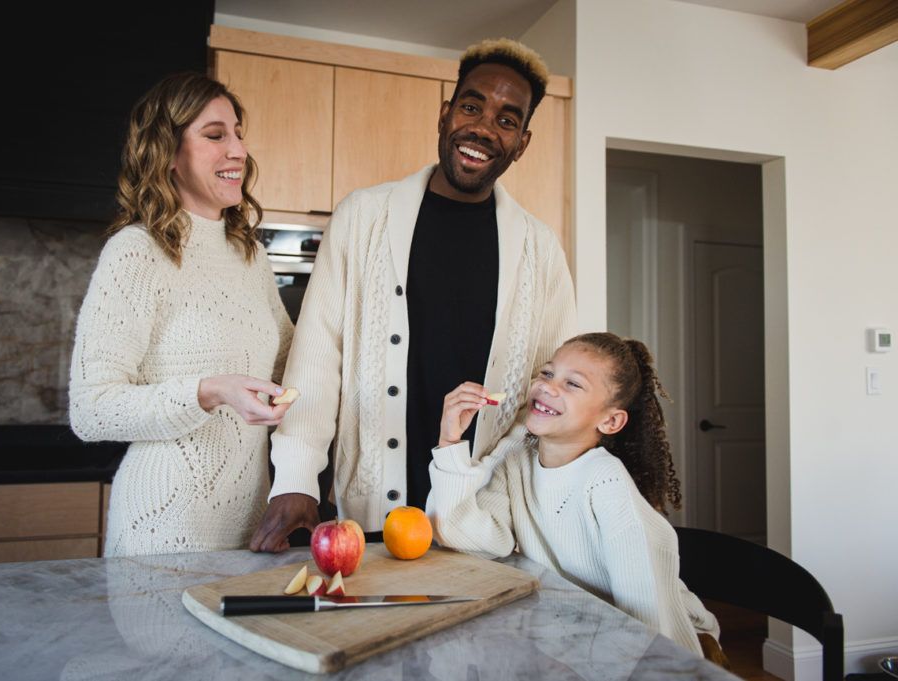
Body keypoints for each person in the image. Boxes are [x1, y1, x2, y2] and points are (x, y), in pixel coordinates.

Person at [249, 38, 577, 553]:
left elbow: (557, 394)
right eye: (472, 106)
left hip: (487, 526)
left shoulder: (541, 251)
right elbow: (316, 358)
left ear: (523, 142)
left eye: (507, 120)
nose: (484, 129)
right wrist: (295, 479)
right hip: (372, 521)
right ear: (445, 115)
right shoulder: (362, 218)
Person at [69, 72, 294, 557]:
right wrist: (208, 391)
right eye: (215, 136)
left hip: (251, 525)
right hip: (163, 527)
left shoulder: (249, 255)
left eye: (238, 133)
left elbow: (289, 369)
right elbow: (91, 409)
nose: (237, 150)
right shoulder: (137, 252)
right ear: (168, 154)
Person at [427, 332, 723, 659]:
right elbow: (464, 534)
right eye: (548, 373)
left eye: (573, 384)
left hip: (665, 643)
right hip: (582, 633)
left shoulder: (604, 482)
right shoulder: (517, 462)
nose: (549, 386)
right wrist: (449, 440)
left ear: (610, 421)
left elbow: (646, 609)